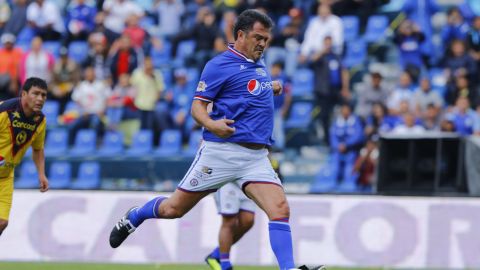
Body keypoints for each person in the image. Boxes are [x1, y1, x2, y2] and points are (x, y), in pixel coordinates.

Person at [109, 9, 323, 270]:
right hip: (221, 152)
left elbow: (250, 89)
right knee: (173, 210)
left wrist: (272, 86)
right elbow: (197, 107)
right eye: (258, 37)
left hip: (255, 157)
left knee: (280, 208)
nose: (263, 44)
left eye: (266, 39)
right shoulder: (218, 65)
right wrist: (212, 124)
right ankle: (135, 215)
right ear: (241, 34)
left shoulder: (259, 64)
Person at [0, 77, 49, 236]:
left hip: (5, 177)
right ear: (24, 94)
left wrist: (41, 174)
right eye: (36, 94)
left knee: (2, 222)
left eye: (43, 95)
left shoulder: (40, 121)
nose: (40, 99)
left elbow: (38, 149)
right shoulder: (4, 111)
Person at [205, 183, 256, 270]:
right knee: (229, 222)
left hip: (247, 181)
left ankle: (216, 254)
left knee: (248, 221)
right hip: (228, 181)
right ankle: (224, 263)